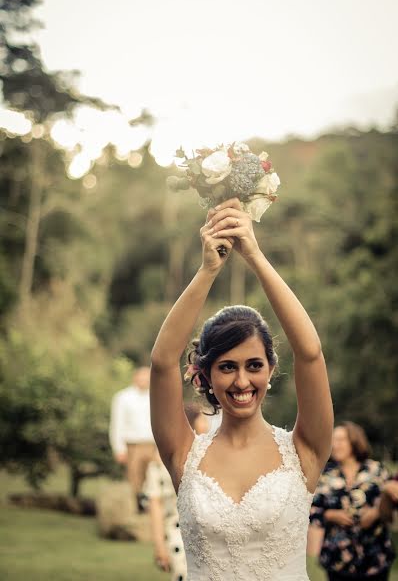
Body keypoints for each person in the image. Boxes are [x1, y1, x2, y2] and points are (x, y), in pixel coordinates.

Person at [150, 198, 334, 580]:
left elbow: (311, 354)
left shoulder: (304, 452)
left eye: (254, 365)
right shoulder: (183, 454)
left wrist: (254, 255)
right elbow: (163, 362)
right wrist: (207, 269)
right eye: (226, 367)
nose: (241, 382)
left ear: (270, 369)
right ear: (206, 374)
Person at [310, 422, 396, 580]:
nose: (335, 445)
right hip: (338, 560)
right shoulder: (324, 475)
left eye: (341, 440)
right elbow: (309, 509)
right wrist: (329, 515)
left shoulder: (376, 470)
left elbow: (392, 499)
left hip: (375, 558)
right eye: (333, 440)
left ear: (355, 441)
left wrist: (376, 512)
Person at [145, 404, 213, 581]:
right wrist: (159, 544)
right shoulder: (159, 463)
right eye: (203, 418)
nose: (207, 423)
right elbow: (155, 505)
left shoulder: (207, 455)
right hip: (178, 534)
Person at [109, 366, 155, 512]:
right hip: (132, 445)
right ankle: (134, 510)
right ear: (135, 377)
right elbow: (117, 424)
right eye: (142, 376)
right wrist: (119, 449)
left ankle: (151, 510)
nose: (144, 380)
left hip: (152, 445)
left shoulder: (155, 396)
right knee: (134, 481)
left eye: (147, 377)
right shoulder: (123, 397)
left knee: (152, 480)